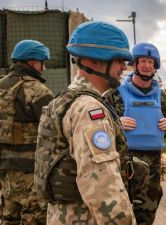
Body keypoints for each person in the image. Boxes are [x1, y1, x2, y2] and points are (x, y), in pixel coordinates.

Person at [34, 21, 148, 225]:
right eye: (119, 60)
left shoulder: (64, 100)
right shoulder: (88, 109)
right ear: (95, 61)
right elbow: (102, 187)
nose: (124, 66)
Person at [107, 42, 166, 225]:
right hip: (124, 162)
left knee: (147, 214)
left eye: (151, 62)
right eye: (143, 61)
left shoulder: (160, 95)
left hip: (153, 166)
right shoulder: (115, 95)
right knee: (120, 214)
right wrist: (116, 123)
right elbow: (98, 129)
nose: (147, 65)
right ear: (134, 64)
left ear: (155, 66)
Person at [0, 40, 53, 224]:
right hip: (31, 172)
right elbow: (56, 129)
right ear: (32, 62)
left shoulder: (1, 86)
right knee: (35, 220)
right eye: (42, 63)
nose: (43, 68)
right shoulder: (37, 90)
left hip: (5, 171)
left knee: (8, 219)